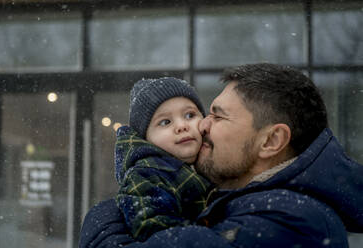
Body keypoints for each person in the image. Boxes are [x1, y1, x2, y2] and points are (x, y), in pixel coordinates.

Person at [79, 63, 363, 248]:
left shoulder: (291, 222)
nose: (201, 124)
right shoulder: (239, 200)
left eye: (217, 115)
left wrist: (104, 216)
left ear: (271, 141)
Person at [114, 77, 211, 241]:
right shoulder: (147, 173)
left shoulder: (212, 162)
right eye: (165, 122)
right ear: (146, 138)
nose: (182, 126)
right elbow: (152, 227)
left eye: (190, 115)